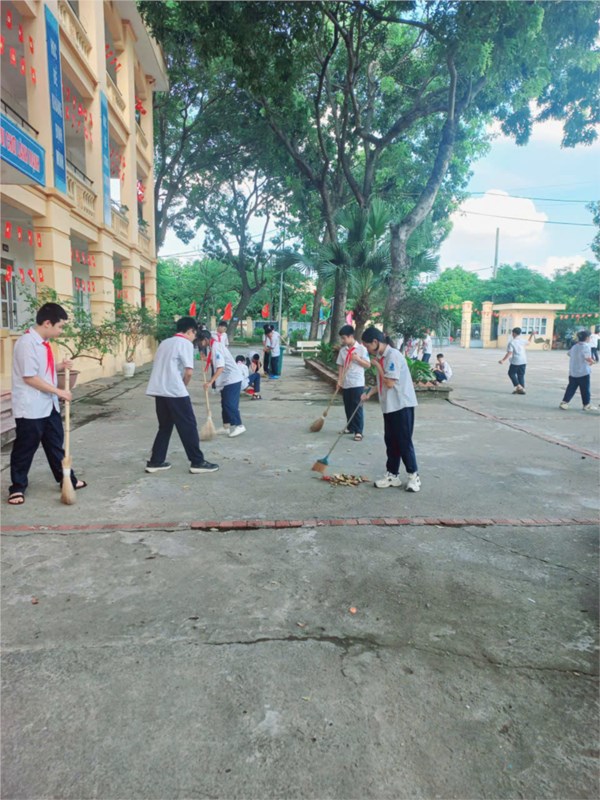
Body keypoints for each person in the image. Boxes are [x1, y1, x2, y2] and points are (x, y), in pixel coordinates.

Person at [8, 302, 87, 506]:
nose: (61, 331)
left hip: (48, 405)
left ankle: (66, 479)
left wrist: (60, 366)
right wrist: (59, 391)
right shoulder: (26, 343)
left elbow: (43, 370)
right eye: (59, 326)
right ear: (47, 323)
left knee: (55, 444)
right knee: (25, 448)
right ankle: (17, 487)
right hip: (31, 407)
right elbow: (30, 377)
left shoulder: (43, 343)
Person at [146, 317, 219, 474]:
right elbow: (188, 372)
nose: (195, 337)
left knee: (165, 426)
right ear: (190, 331)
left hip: (160, 390)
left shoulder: (165, 343)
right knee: (188, 426)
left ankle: (156, 461)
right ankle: (197, 462)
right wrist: (183, 386)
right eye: (195, 333)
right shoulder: (185, 343)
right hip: (175, 391)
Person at [361, 326, 420, 493]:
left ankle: (413, 476)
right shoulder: (381, 357)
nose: (367, 349)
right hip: (389, 406)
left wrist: (377, 366)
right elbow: (381, 383)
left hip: (402, 405)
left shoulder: (393, 355)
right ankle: (392, 475)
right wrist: (369, 393)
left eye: (367, 345)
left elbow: (389, 382)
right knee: (391, 441)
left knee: (404, 442)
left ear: (375, 342)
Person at [197, 329, 246, 437]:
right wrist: (205, 359)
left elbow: (220, 367)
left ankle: (239, 425)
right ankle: (226, 427)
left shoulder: (216, 347)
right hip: (226, 379)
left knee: (229, 403)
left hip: (232, 379)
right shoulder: (213, 346)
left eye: (200, 341)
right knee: (224, 403)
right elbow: (216, 361)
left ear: (205, 339)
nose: (199, 344)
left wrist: (210, 382)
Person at [336, 324, 371, 441]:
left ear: (351, 336)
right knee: (348, 406)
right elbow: (340, 365)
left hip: (357, 382)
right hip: (346, 382)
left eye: (344, 338)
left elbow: (368, 365)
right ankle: (350, 427)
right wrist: (339, 380)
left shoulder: (361, 349)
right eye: (342, 338)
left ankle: (358, 431)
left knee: (357, 407)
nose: (342, 340)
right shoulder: (343, 351)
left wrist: (357, 359)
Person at [559, 330, 595, 411]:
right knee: (585, 389)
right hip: (583, 372)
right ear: (587, 338)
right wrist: (592, 362)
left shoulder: (575, 346)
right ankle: (586, 405)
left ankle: (564, 402)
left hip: (573, 372)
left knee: (571, 388)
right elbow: (587, 358)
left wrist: (577, 358)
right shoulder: (586, 346)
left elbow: (569, 354)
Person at [498, 327, 535, 394]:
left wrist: (503, 360)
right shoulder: (522, 340)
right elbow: (529, 342)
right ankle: (522, 389)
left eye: (512, 332)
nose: (512, 334)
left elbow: (510, 353)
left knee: (511, 373)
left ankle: (519, 387)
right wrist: (531, 335)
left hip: (516, 361)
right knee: (520, 375)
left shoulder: (512, 342)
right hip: (523, 360)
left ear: (514, 333)